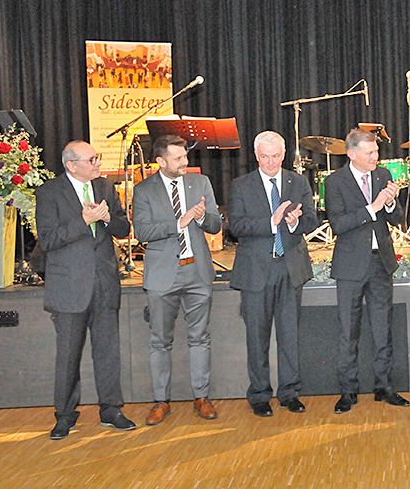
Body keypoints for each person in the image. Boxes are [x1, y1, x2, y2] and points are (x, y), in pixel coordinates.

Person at [36, 140, 136, 439]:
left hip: (104, 283)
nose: (97, 163)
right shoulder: (49, 192)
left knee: (108, 352)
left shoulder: (105, 187)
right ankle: (65, 415)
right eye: (91, 159)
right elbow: (48, 240)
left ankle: (111, 410)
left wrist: (107, 218)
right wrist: (84, 220)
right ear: (71, 165)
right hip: (69, 286)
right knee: (68, 355)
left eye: (97, 158)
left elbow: (123, 229)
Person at [133, 134, 222, 424]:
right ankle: (161, 401)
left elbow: (215, 224)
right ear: (161, 161)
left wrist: (201, 218)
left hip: (197, 271)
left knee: (200, 337)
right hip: (162, 275)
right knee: (160, 341)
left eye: (185, 156)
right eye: (178, 158)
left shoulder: (201, 182)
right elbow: (141, 232)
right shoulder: (144, 190)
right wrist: (178, 223)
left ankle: (201, 397)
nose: (185, 162)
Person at [229, 130, 318, 417]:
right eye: (265, 157)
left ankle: (290, 392)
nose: (270, 162)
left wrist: (293, 223)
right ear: (256, 156)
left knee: (290, 334)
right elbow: (236, 227)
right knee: (257, 336)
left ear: (284, 154)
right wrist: (271, 222)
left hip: (290, 268)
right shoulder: (241, 185)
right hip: (256, 271)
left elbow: (312, 220)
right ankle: (259, 394)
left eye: (276, 156)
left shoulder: (298, 182)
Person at [324, 128, 409, 414]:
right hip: (350, 266)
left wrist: (391, 202)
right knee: (348, 331)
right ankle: (348, 391)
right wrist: (373, 207)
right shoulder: (335, 182)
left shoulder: (383, 175)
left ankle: (384, 387)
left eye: (376, 151)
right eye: (370, 152)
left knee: (383, 329)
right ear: (352, 154)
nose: (376, 157)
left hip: (380, 262)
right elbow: (338, 224)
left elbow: (397, 219)